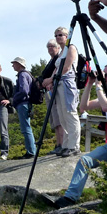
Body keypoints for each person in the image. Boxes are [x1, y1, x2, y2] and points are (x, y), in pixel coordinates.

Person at [54, 64, 107, 208]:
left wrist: (99, 86)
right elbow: (83, 107)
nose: (104, 77)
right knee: (84, 161)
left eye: (106, 75)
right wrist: (90, 83)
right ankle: (70, 198)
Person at [41, 27, 81, 158]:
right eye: (56, 35)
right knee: (62, 115)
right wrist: (50, 82)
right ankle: (66, 144)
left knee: (70, 113)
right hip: (58, 83)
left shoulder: (71, 48)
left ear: (66, 36)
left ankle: (74, 145)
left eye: (60, 35)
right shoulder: (61, 51)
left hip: (67, 83)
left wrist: (51, 79)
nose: (58, 37)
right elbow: (57, 68)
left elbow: (66, 67)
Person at [40, 39, 64, 155]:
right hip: (49, 92)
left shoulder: (58, 60)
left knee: (58, 118)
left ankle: (61, 144)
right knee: (54, 119)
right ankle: (58, 144)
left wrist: (48, 81)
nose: (50, 48)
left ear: (58, 47)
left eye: (52, 46)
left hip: (55, 91)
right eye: (48, 46)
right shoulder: (52, 61)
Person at [10, 57, 37, 159]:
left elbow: (24, 91)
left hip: (23, 103)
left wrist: (14, 99)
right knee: (27, 127)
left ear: (20, 64)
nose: (13, 66)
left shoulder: (22, 75)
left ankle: (30, 151)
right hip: (27, 103)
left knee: (25, 128)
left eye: (14, 63)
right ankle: (31, 150)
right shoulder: (27, 74)